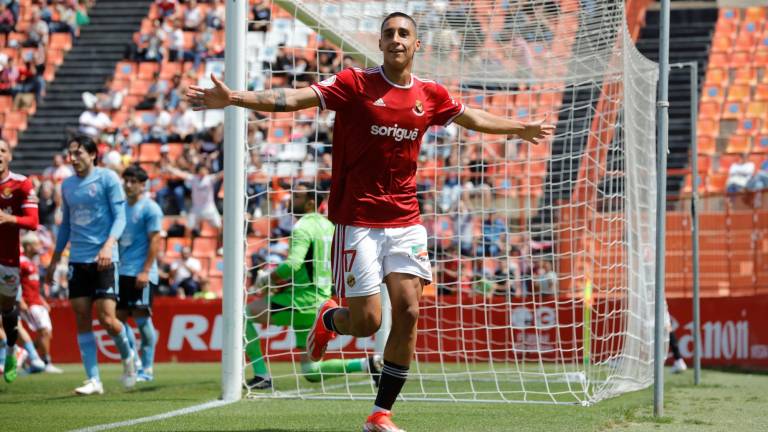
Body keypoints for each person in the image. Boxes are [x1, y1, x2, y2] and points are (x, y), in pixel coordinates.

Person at [187, 12, 553, 431]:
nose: (396, 39)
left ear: (418, 46)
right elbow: (290, 99)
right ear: (380, 44)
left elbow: (473, 118)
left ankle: (381, 414)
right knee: (368, 322)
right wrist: (233, 98)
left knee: (410, 310)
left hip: (406, 220)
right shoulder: (354, 84)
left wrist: (519, 128)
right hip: (358, 221)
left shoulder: (429, 94)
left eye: (404, 34)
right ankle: (330, 319)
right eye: (389, 34)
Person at [244, 184, 382, 390]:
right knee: (311, 371)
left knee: (243, 314)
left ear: (311, 202)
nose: (291, 200)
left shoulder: (302, 227)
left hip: (301, 301)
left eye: (297, 196)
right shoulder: (329, 226)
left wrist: (267, 279)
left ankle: (261, 374)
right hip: (321, 305)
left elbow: (293, 265)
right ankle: (367, 364)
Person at [45, 135, 136, 395]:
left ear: (93, 155)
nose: (73, 159)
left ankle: (128, 359)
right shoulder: (67, 185)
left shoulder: (107, 179)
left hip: (105, 258)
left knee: (108, 319)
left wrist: (109, 245)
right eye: (71, 154)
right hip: (78, 260)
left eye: (78, 153)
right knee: (82, 315)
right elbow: (66, 225)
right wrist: (55, 259)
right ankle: (93, 379)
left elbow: (120, 217)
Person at [117, 165, 163, 382]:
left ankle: (147, 368)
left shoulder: (150, 208)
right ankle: (134, 360)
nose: (128, 184)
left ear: (142, 184)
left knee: (142, 322)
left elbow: (155, 240)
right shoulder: (119, 207)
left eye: (132, 181)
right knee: (117, 319)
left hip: (141, 272)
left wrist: (145, 271)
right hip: (121, 272)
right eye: (125, 180)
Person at [0, 139, 40, 383]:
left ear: (10, 156)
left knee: (6, 308)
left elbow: (33, 222)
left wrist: (9, 219)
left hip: (8, 259)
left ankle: (13, 350)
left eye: (2, 151)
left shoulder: (21, 184)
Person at [19, 231, 62, 373]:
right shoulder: (21, 262)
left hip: (37, 301)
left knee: (47, 334)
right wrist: (20, 300)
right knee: (43, 331)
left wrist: (42, 300)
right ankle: (45, 362)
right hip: (29, 303)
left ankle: (25, 355)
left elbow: (33, 285)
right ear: (28, 246)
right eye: (36, 243)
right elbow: (14, 282)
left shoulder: (32, 263)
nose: (39, 246)